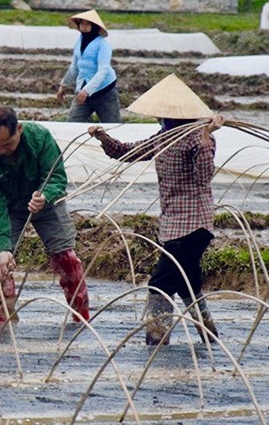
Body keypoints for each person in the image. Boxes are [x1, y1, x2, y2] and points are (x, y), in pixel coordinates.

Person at [87, 73, 223, 345]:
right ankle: (208, 335)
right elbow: (126, 152)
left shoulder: (197, 137)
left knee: (159, 283)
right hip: (172, 225)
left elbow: (203, 176)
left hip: (194, 225)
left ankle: (156, 339)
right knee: (187, 282)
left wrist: (207, 135)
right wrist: (102, 137)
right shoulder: (164, 136)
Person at [0, 106, 90, 324]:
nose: (0, 151)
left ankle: (81, 317)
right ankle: (5, 321)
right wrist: (4, 247)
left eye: (6, 144)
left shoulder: (40, 138)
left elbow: (56, 176)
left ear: (19, 129)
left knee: (67, 258)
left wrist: (45, 195)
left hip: (45, 204)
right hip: (9, 208)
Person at [55, 9, 121, 123]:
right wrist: (63, 86)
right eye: (82, 23)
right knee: (72, 123)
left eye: (87, 23)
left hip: (104, 91)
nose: (84, 26)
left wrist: (87, 90)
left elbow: (103, 70)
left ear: (94, 26)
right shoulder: (79, 42)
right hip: (83, 89)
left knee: (112, 125)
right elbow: (74, 67)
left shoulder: (102, 45)